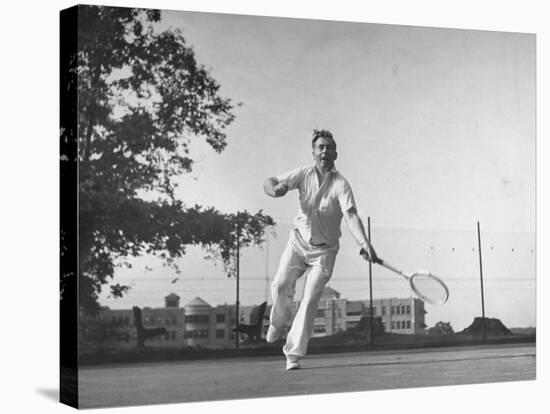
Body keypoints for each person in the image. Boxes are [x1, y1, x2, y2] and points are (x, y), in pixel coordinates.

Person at [263, 129, 379, 370]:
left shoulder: (341, 184)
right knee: (281, 285)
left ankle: (292, 355)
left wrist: (364, 243)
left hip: (324, 253)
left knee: (309, 300)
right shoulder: (303, 173)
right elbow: (270, 181)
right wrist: (274, 190)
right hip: (297, 243)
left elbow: (351, 215)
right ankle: (277, 323)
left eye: (329, 147)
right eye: (320, 147)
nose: (325, 151)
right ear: (314, 152)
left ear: (336, 153)